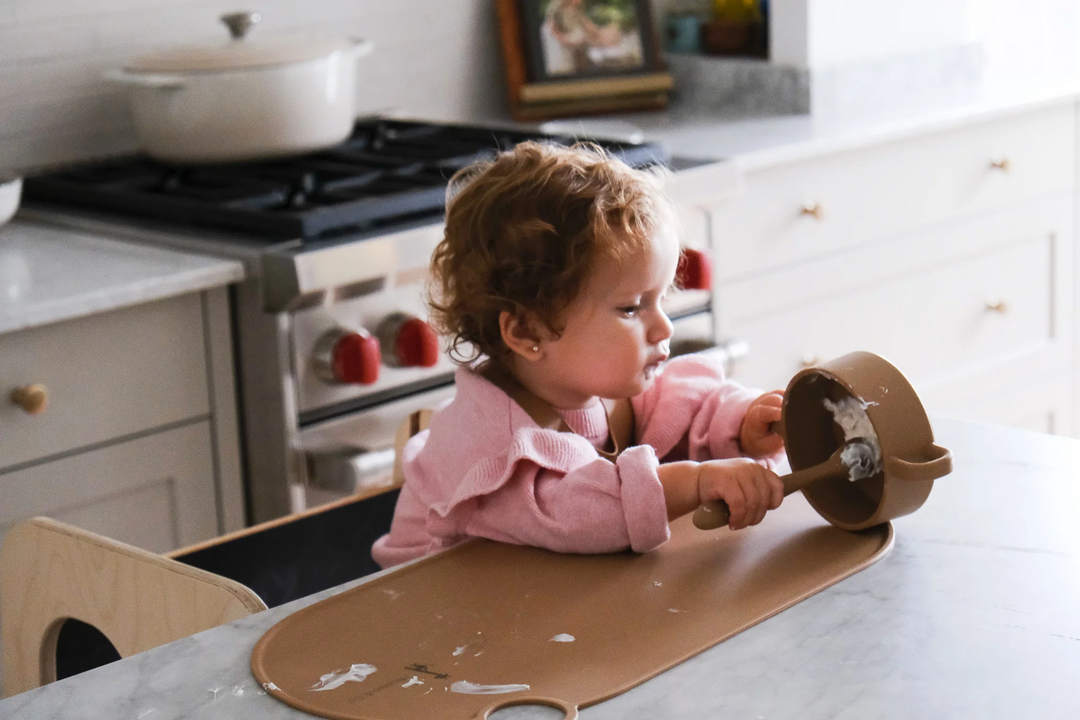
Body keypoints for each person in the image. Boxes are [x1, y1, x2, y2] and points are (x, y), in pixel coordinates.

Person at [371, 142, 786, 569]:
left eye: (661, 298)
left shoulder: (598, 384)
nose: (665, 328)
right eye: (631, 308)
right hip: (434, 613)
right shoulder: (492, 446)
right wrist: (695, 483)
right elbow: (580, 515)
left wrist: (742, 423)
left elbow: (683, 407)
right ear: (528, 331)